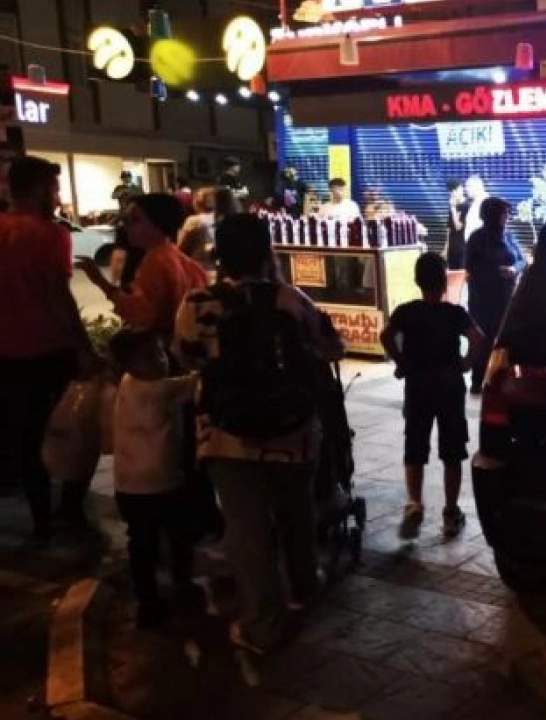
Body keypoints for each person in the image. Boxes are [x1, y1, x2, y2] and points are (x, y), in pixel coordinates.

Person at [173, 214, 344, 653]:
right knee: (296, 510)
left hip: (226, 434)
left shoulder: (197, 303)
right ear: (267, 251)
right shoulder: (291, 299)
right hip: (292, 431)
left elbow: (187, 358)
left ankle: (262, 625)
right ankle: (303, 586)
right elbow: (331, 348)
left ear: (221, 255)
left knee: (247, 528)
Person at [0, 157, 100, 544]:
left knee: (25, 437)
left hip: (6, 353)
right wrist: (85, 347)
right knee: (75, 430)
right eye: (55, 188)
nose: (57, 197)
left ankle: (41, 519)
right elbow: (59, 297)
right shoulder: (49, 234)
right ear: (41, 189)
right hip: (49, 349)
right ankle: (70, 509)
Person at [380, 253, 484, 540]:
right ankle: (450, 513)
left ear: (417, 281)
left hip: (418, 384)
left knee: (415, 445)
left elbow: (385, 335)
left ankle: (415, 503)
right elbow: (477, 338)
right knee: (452, 451)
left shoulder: (406, 311)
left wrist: (401, 362)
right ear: (444, 282)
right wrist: (466, 363)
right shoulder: (455, 313)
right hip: (449, 385)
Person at [108, 330, 199, 628]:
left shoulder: (126, 383)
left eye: (160, 352)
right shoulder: (160, 390)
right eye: (148, 357)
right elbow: (199, 383)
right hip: (164, 482)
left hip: (128, 486)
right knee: (179, 536)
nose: (160, 361)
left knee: (141, 543)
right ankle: (182, 585)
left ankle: (147, 600)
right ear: (128, 364)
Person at [77, 194, 209, 339]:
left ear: (159, 223)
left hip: (166, 344)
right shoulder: (182, 260)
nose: (127, 226)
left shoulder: (155, 262)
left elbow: (142, 315)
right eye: (127, 220)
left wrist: (100, 281)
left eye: (136, 220)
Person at [465, 197, 526, 394]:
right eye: (504, 213)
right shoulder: (476, 238)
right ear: (492, 215)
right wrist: (495, 273)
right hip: (483, 300)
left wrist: (514, 269)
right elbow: (470, 268)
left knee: (505, 340)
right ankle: (477, 380)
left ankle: (502, 381)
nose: (508, 217)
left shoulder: (509, 236)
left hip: (506, 298)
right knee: (483, 340)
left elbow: (522, 260)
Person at [176, 187, 216, 266]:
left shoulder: (193, 221)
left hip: (199, 266)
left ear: (196, 203)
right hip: (217, 266)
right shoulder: (221, 219)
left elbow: (180, 246)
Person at [445, 180, 469, 270]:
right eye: (451, 191)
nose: (453, 194)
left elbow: (458, 227)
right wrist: (446, 248)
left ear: (461, 189)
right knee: (452, 274)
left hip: (463, 249)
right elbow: (449, 228)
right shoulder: (453, 207)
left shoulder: (467, 206)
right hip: (452, 249)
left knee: (462, 274)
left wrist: (453, 208)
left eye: (455, 190)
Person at [462, 175, 488, 243]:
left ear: (475, 186)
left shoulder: (485, 202)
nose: (465, 189)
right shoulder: (476, 202)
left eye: (468, 186)